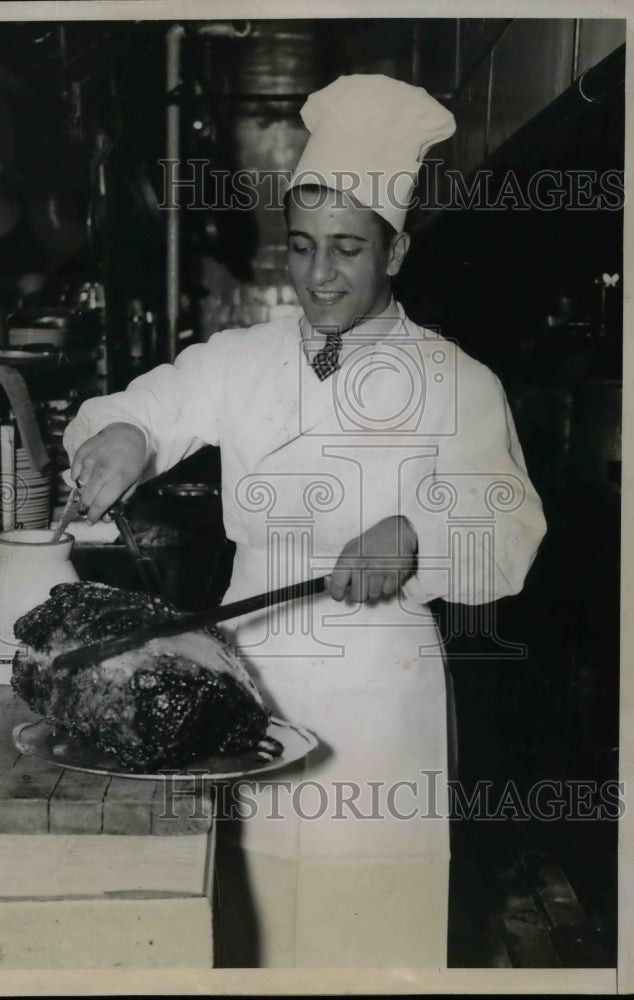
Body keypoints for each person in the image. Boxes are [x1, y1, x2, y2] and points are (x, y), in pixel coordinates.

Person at [63, 74, 546, 968]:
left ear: (394, 254)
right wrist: (124, 436)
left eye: (348, 249)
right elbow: (150, 407)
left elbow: (508, 529)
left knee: (365, 941)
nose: (319, 275)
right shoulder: (241, 360)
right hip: (238, 677)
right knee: (244, 932)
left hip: (376, 700)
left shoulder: (456, 379)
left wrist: (413, 533)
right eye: (302, 245)